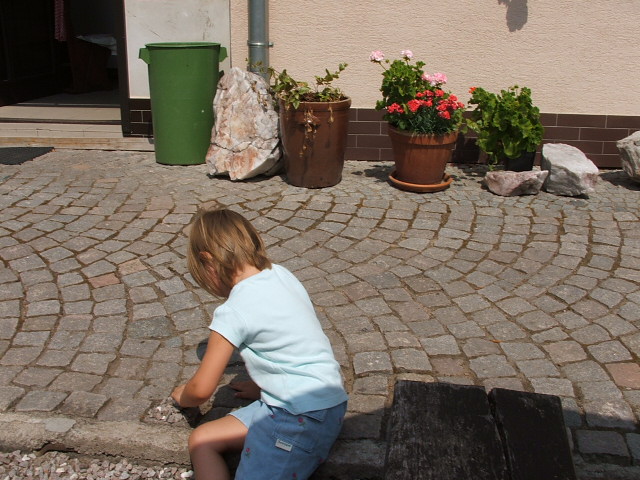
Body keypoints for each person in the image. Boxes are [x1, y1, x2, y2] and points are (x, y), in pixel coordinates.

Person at [171, 208, 348, 480]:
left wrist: (183, 396)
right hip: (327, 402)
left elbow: (202, 389)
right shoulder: (280, 274)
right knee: (202, 439)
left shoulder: (233, 310)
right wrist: (265, 385)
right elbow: (292, 341)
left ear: (208, 261)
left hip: (297, 418)